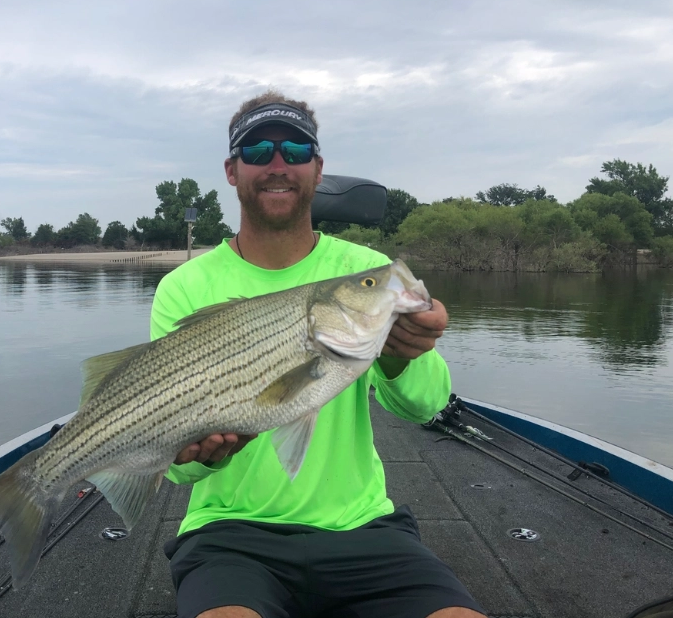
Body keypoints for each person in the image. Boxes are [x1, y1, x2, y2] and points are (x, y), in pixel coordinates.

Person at [150, 91, 486, 618]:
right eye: (258, 151)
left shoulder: (365, 266)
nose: (278, 164)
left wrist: (399, 356)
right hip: (229, 535)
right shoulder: (183, 286)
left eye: (296, 150)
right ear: (233, 170)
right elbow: (179, 472)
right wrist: (199, 458)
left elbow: (426, 407)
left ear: (318, 168)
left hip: (364, 527)